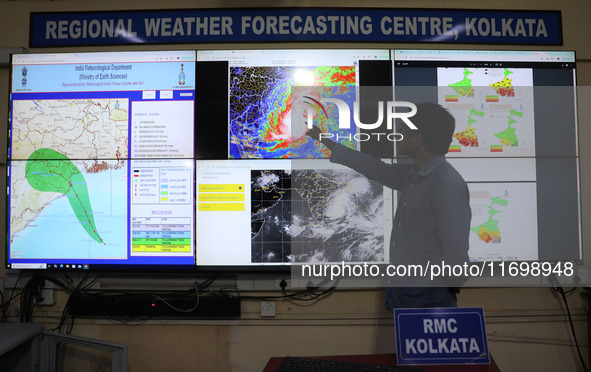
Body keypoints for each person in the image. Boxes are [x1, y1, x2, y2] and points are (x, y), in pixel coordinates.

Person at [307, 102, 471, 309]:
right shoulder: (413, 175)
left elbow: (456, 256)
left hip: (429, 301)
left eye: (402, 131)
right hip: (405, 295)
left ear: (417, 139)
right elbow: (374, 168)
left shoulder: (445, 184)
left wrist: (438, 290)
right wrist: (325, 141)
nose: (398, 136)